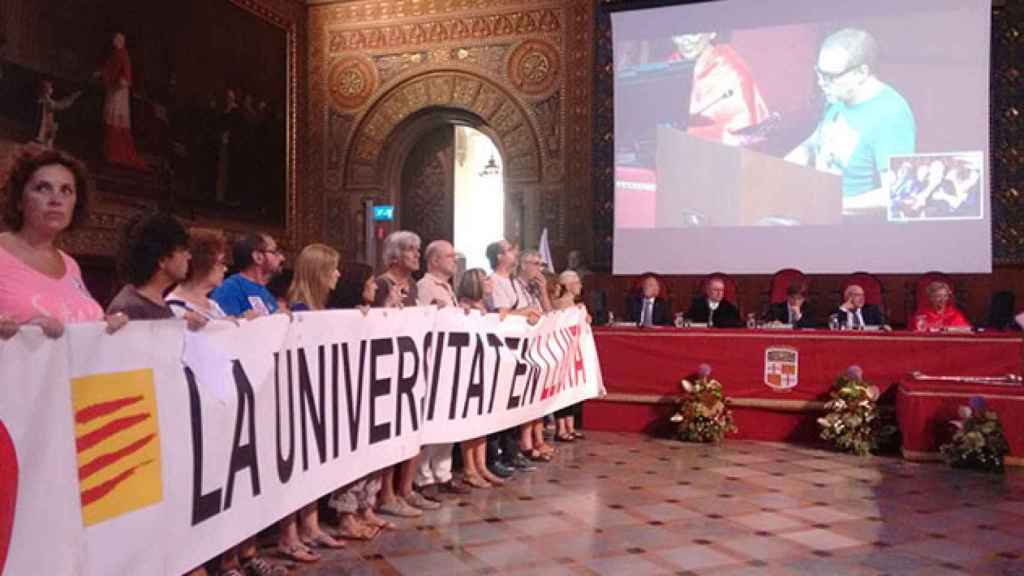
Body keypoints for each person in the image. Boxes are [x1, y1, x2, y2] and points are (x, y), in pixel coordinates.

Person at [785, 28, 915, 213]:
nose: (821, 83)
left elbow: (895, 193)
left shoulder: (892, 115)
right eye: (819, 73)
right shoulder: (837, 96)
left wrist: (835, 205)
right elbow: (817, 142)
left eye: (831, 76)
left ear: (861, 73)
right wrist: (782, 168)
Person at [0, 149, 126, 338]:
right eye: (43, 188)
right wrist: (27, 333)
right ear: (19, 199)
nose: (56, 200)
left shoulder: (70, 265)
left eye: (66, 190)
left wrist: (105, 325)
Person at [275, 244, 346, 561]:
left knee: (315, 465)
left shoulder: (318, 307)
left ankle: (311, 525)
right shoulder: (299, 309)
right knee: (296, 468)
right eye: (333, 269)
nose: (338, 275)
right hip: (296, 400)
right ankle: (288, 534)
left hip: (318, 397)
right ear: (319, 273)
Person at [372, 231, 435, 518]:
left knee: (415, 430)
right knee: (392, 433)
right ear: (394, 255)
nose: (416, 255)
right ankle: (387, 493)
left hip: (414, 367)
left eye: (417, 249)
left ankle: (406, 488)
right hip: (389, 370)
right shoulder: (381, 283)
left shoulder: (411, 285)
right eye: (410, 249)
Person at [415, 240, 471, 501]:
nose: (454, 260)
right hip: (433, 361)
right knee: (431, 420)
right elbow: (421, 319)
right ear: (434, 260)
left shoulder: (448, 286)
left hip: (450, 361)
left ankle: (443, 472)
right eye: (449, 256)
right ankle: (424, 477)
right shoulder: (425, 286)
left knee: (447, 419)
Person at [455, 268, 508, 488]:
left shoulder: (484, 306)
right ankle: (469, 468)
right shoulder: (463, 306)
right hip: (467, 369)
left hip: (484, 367)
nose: (489, 281)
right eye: (485, 279)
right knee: (471, 420)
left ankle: (481, 465)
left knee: (483, 419)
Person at [669, 32, 769, 147]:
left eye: (693, 34)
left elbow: (747, 136)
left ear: (712, 33)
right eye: (678, 34)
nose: (685, 41)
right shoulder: (671, 64)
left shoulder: (732, 71)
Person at [107, 212, 204, 330]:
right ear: (162, 259)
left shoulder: (157, 302)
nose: (189, 256)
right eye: (182, 250)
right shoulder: (130, 308)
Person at [95, 32, 147, 170]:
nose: (115, 41)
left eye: (118, 39)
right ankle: (109, 152)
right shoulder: (115, 54)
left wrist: (119, 81)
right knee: (110, 119)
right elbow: (109, 69)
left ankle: (116, 153)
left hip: (118, 93)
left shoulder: (124, 55)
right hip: (113, 90)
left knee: (116, 118)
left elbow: (126, 77)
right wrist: (102, 74)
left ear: (122, 41)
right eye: (114, 39)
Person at [211, 233, 286, 318]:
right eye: (275, 252)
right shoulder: (229, 289)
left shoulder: (266, 294)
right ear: (258, 257)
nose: (282, 258)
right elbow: (225, 327)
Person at [552, 270, 587, 443]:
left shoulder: (576, 305)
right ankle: (561, 427)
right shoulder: (561, 304)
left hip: (576, 352)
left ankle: (570, 426)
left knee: (573, 388)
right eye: (577, 282)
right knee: (563, 390)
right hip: (563, 353)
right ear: (568, 285)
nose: (580, 286)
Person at [165, 229, 229, 320]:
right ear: (203, 264)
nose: (225, 269)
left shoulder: (213, 306)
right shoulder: (173, 309)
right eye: (220, 263)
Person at [34, 80, 81, 149]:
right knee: (47, 144)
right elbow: (60, 106)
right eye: (51, 88)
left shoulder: (43, 100)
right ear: (46, 90)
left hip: (46, 125)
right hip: (47, 126)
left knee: (45, 143)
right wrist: (72, 98)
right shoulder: (48, 102)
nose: (52, 89)